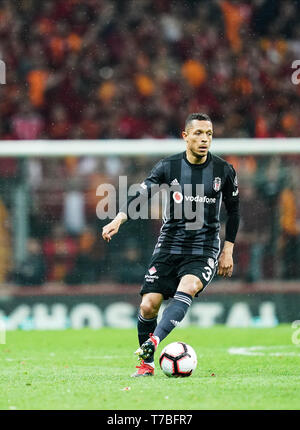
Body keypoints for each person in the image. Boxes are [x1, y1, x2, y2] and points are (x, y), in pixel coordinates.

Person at [102, 113, 240, 377]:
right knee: (147, 305)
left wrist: (228, 248)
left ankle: (153, 343)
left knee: (187, 286)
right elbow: (142, 193)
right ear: (185, 136)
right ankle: (146, 364)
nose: (204, 139)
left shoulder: (223, 170)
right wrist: (119, 218)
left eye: (209, 134)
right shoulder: (168, 166)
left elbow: (234, 211)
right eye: (198, 133)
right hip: (170, 244)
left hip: (203, 247)